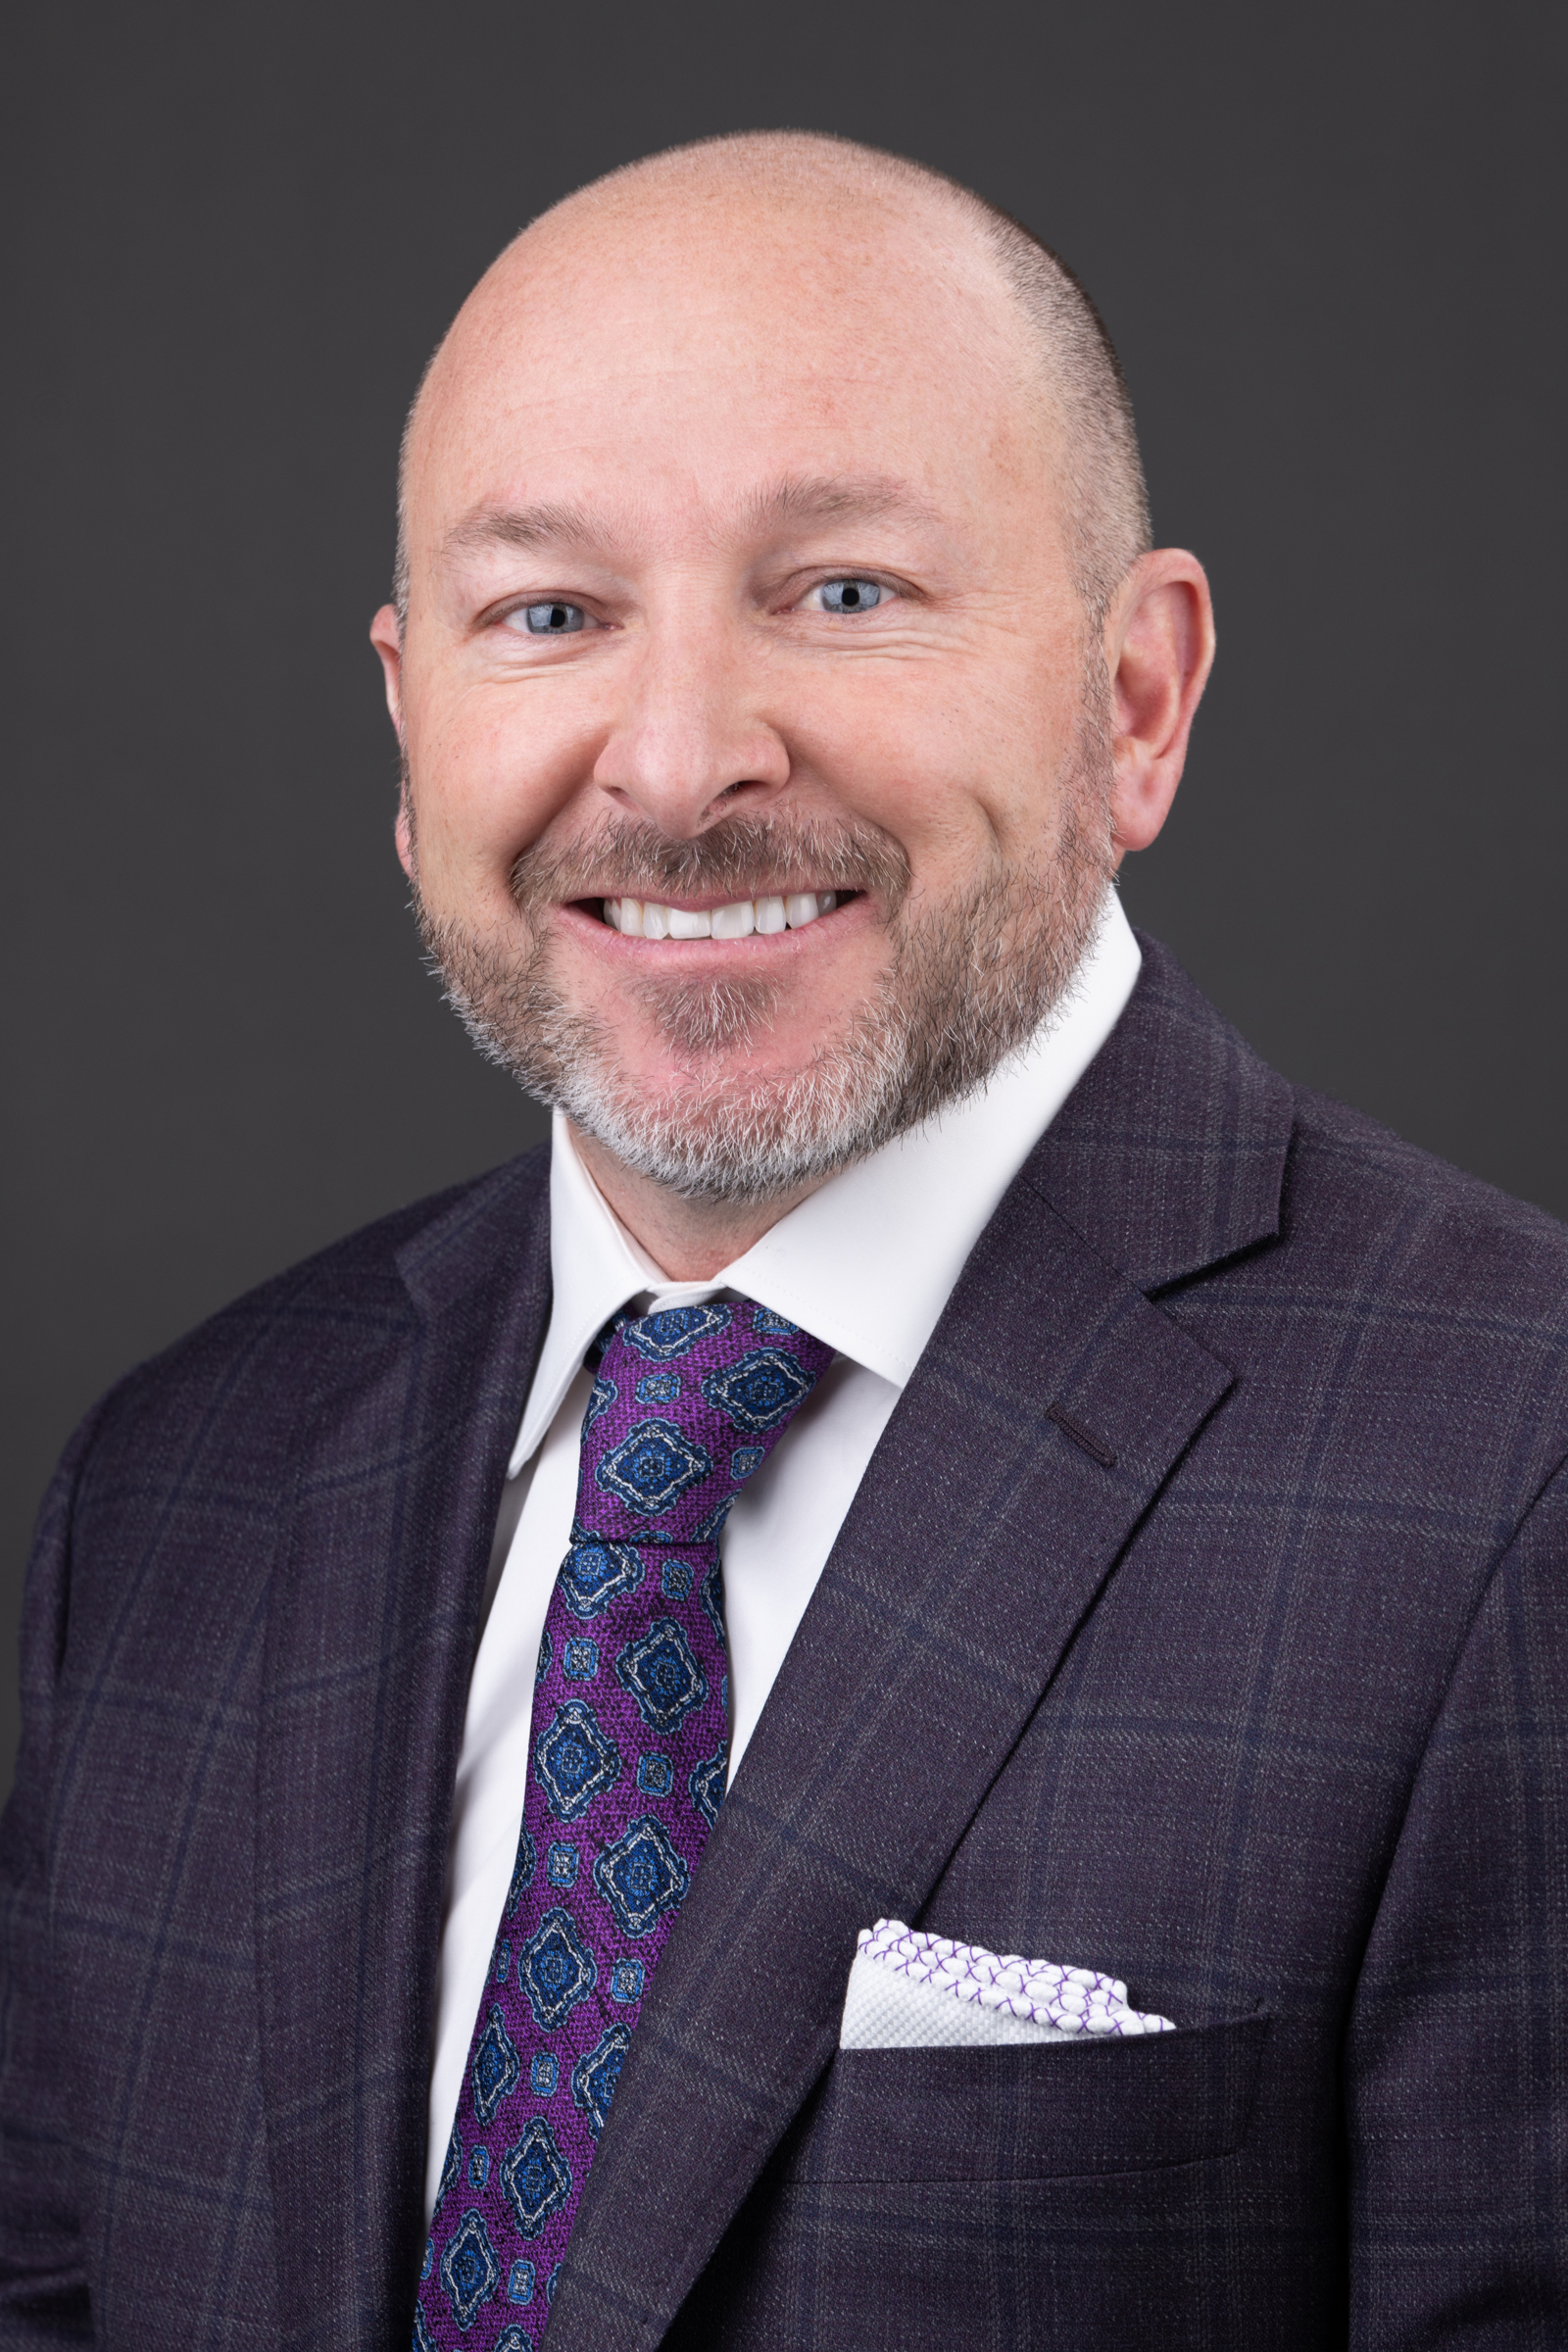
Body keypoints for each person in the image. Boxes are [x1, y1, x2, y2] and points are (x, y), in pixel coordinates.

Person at [2, 128, 1564, 2352]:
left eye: (841, 593)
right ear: (410, 728)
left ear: (1134, 699)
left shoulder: (1513, 1476)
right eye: (550, 615)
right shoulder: (180, 1491)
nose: (674, 764)